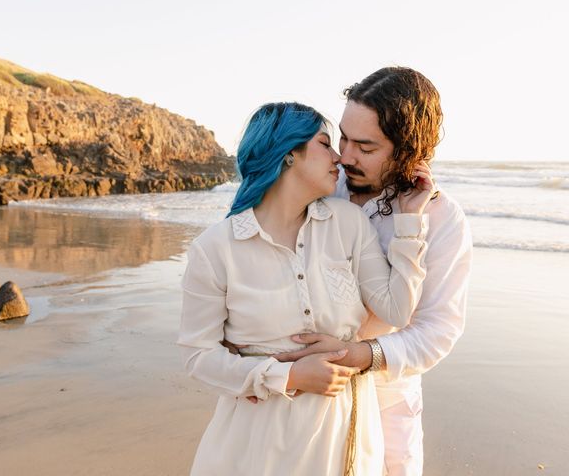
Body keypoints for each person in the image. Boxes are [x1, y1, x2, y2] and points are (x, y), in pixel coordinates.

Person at [178, 101, 435, 475]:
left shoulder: (348, 223)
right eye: (325, 143)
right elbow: (197, 356)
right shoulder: (215, 249)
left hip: (343, 434)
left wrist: (410, 220)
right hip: (256, 443)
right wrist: (289, 376)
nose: (339, 157)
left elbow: (397, 310)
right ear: (288, 156)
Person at [274, 67, 473, 475]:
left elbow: (438, 330)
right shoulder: (324, 186)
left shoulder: (442, 218)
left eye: (365, 146)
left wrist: (360, 355)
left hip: (388, 397)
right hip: (302, 387)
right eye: (343, 137)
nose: (345, 156)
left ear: (409, 152)